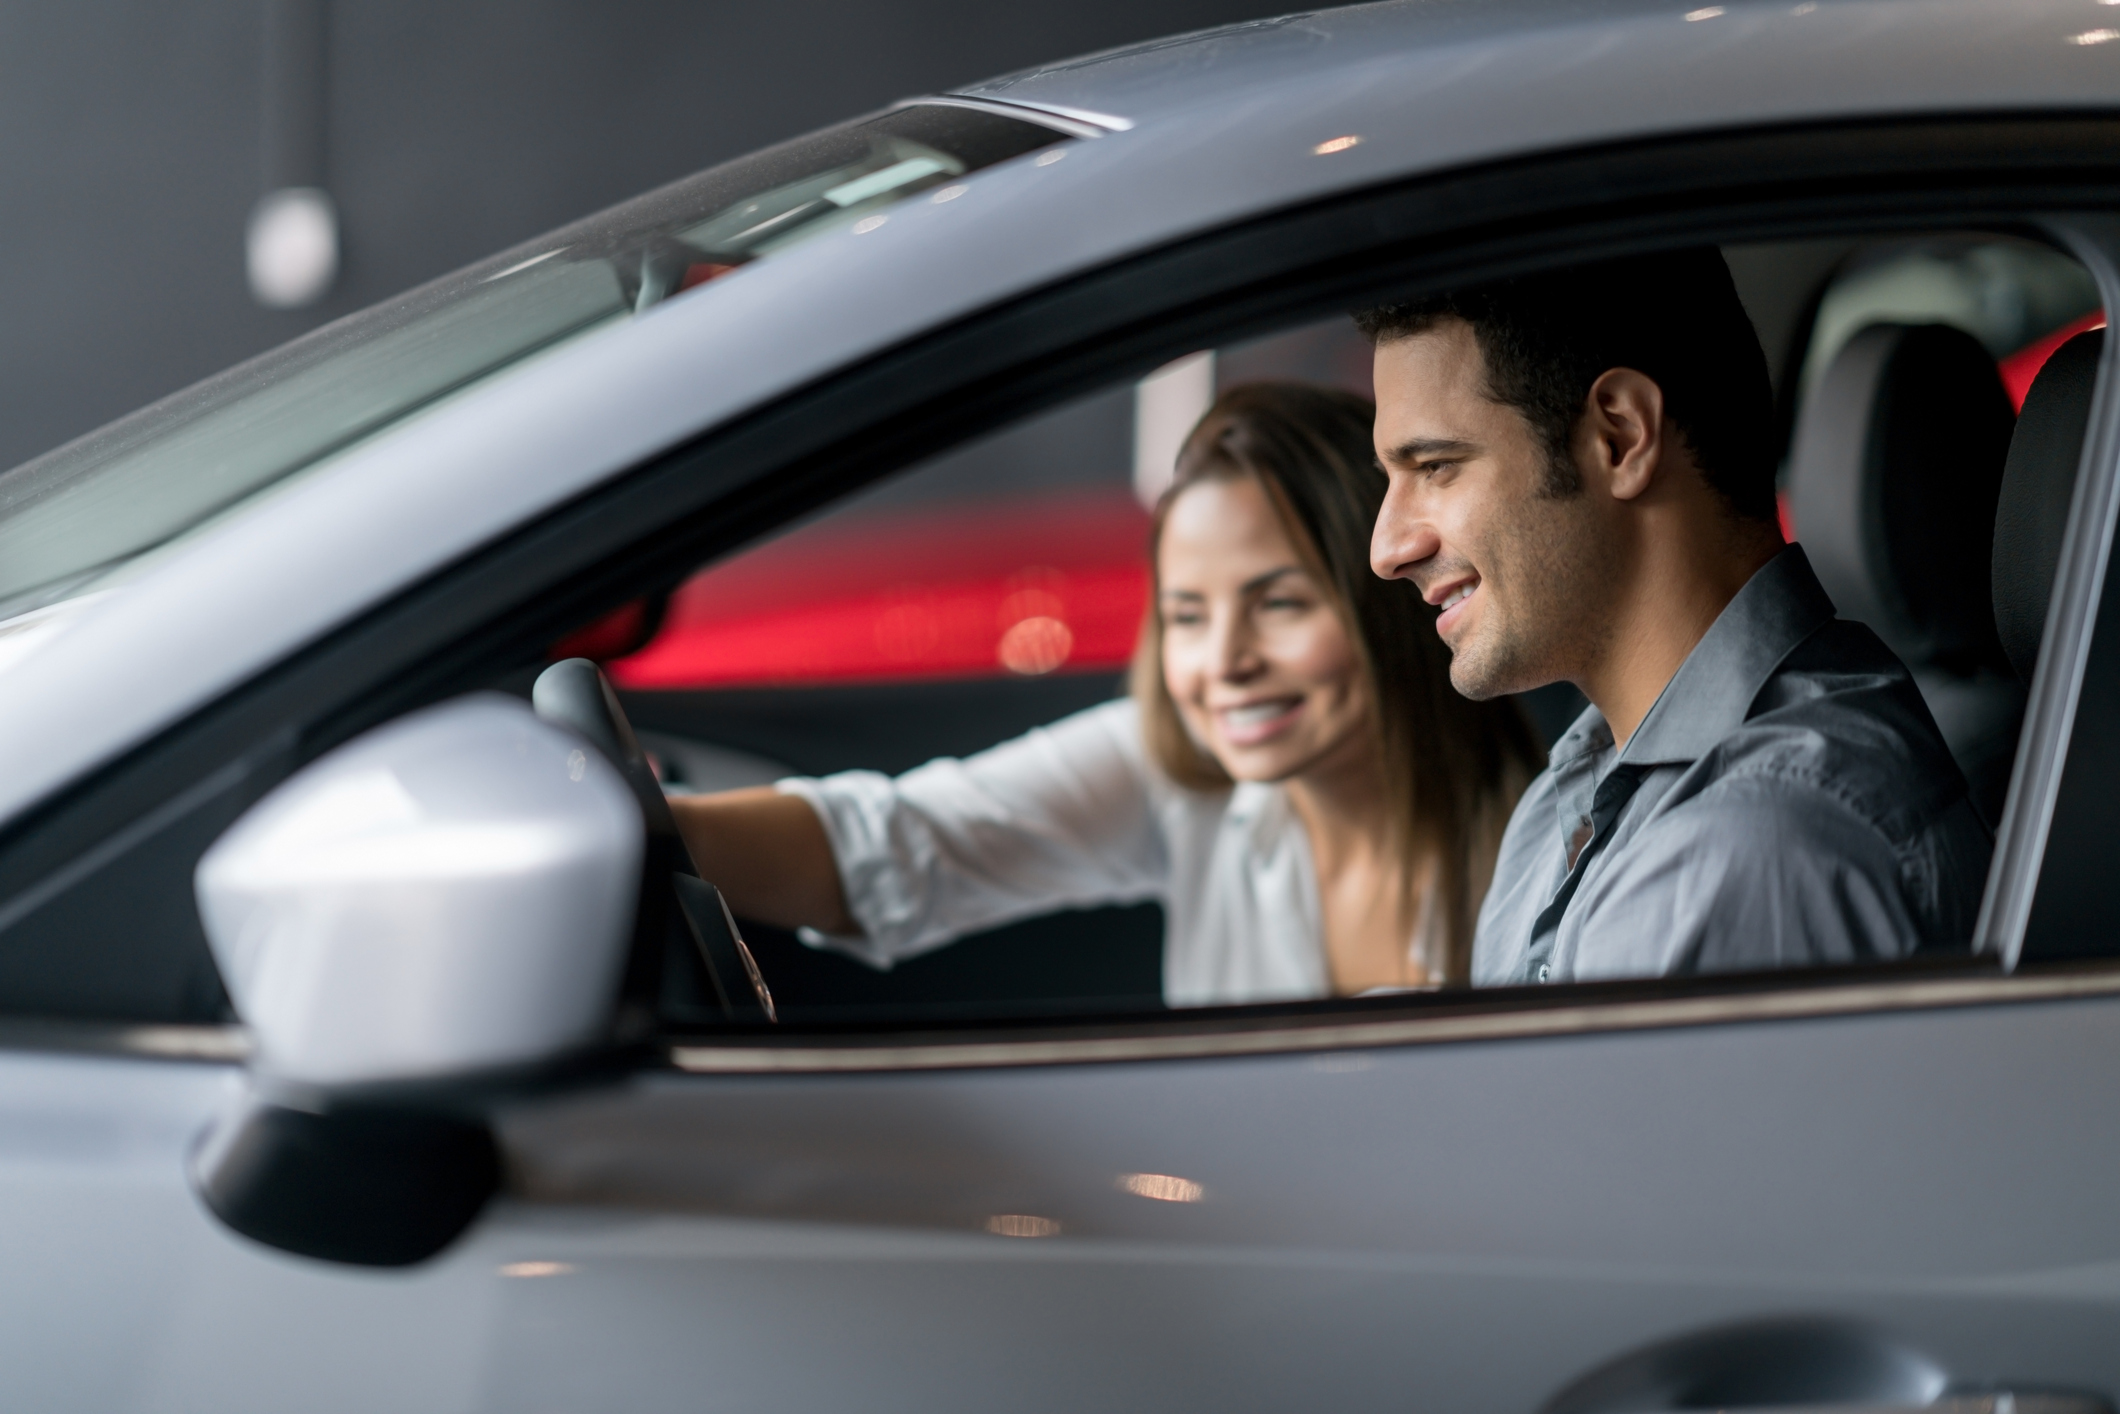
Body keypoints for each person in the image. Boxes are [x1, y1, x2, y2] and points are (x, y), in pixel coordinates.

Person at [669, 382, 1542, 1005]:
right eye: (1187, 616)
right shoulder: (1187, 773)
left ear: (1391, 600)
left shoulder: (1551, 844)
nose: (1224, 661)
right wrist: (649, 827)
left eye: (1279, 602)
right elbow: (894, 847)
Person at [1359, 249, 1993, 986]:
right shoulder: (1577, 791)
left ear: (1619, 438)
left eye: (1436, 466)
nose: (1387, 550)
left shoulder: (1751, 846)